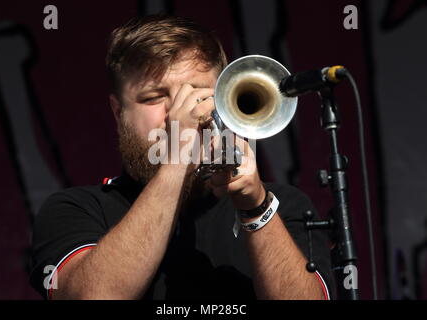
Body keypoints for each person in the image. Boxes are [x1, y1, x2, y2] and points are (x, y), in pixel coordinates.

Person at [29, 14, 334, 300]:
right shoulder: (76, 209)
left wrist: (255, 208)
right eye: (154, 97)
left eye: (198, 92)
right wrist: (177, 157)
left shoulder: (283, 204)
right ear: (118, 112)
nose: (179, 111)